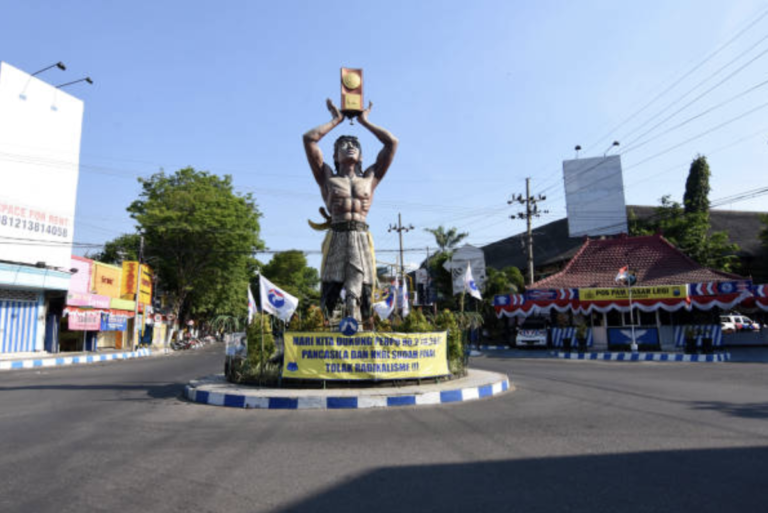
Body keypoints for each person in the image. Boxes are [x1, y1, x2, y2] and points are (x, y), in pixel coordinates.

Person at [303, 99, 398, 322]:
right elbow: (309, 139)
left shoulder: (370, 178)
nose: (350, 146)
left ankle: (365, 329)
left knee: (365, 291)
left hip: (361, 236)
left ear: (361, 156)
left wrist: (364, 121)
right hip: (337, 234)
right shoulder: (327, 177)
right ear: (335, 156)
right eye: (343, 145)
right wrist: (336, 120)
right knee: (330, 290)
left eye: (354, 144)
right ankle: (324, 329)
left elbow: (391, 143)